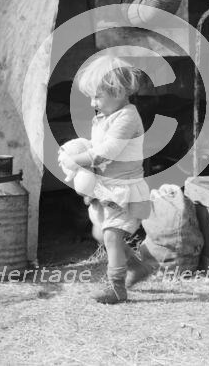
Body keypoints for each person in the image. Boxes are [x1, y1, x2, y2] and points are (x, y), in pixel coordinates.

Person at [58, 55, 153, 303]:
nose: (93, 102)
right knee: (101, 234)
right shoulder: (102, 117)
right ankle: (138, 266)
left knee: (111, 235)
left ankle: (117, 288)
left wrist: (76, 160)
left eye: (98, 96)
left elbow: (108, 151)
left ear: (119, 91)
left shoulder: (127, 117)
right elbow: (99, 149)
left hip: (124, 188)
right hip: (106, 187)